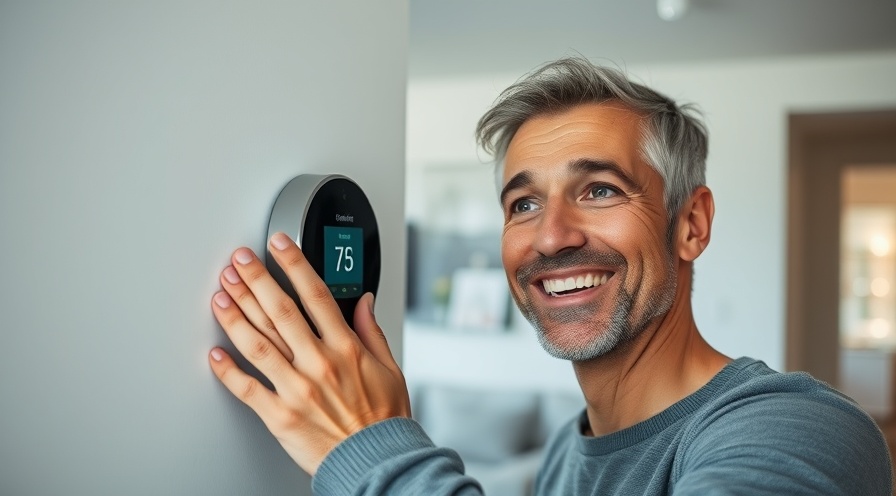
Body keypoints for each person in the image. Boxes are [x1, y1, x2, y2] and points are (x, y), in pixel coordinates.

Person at [207, 58, 893, 495]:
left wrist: (372, 451)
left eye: (598, 189)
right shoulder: (569, 455)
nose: (552, 237)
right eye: (524, 204)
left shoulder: (803, 431)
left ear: (691, 224)